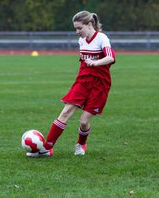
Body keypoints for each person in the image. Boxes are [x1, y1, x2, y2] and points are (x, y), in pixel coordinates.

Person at [27, 11, 116, 158]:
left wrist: (95, 63)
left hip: (100, 84)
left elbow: (110, 57)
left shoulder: (102, 38)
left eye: (79, 28)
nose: (77, 32)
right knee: (65, 112)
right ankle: (46, 148)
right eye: (75, 28)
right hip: (82, 82)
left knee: (84, 121)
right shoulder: (81, 41)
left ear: (89, 24)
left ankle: (81, 144)